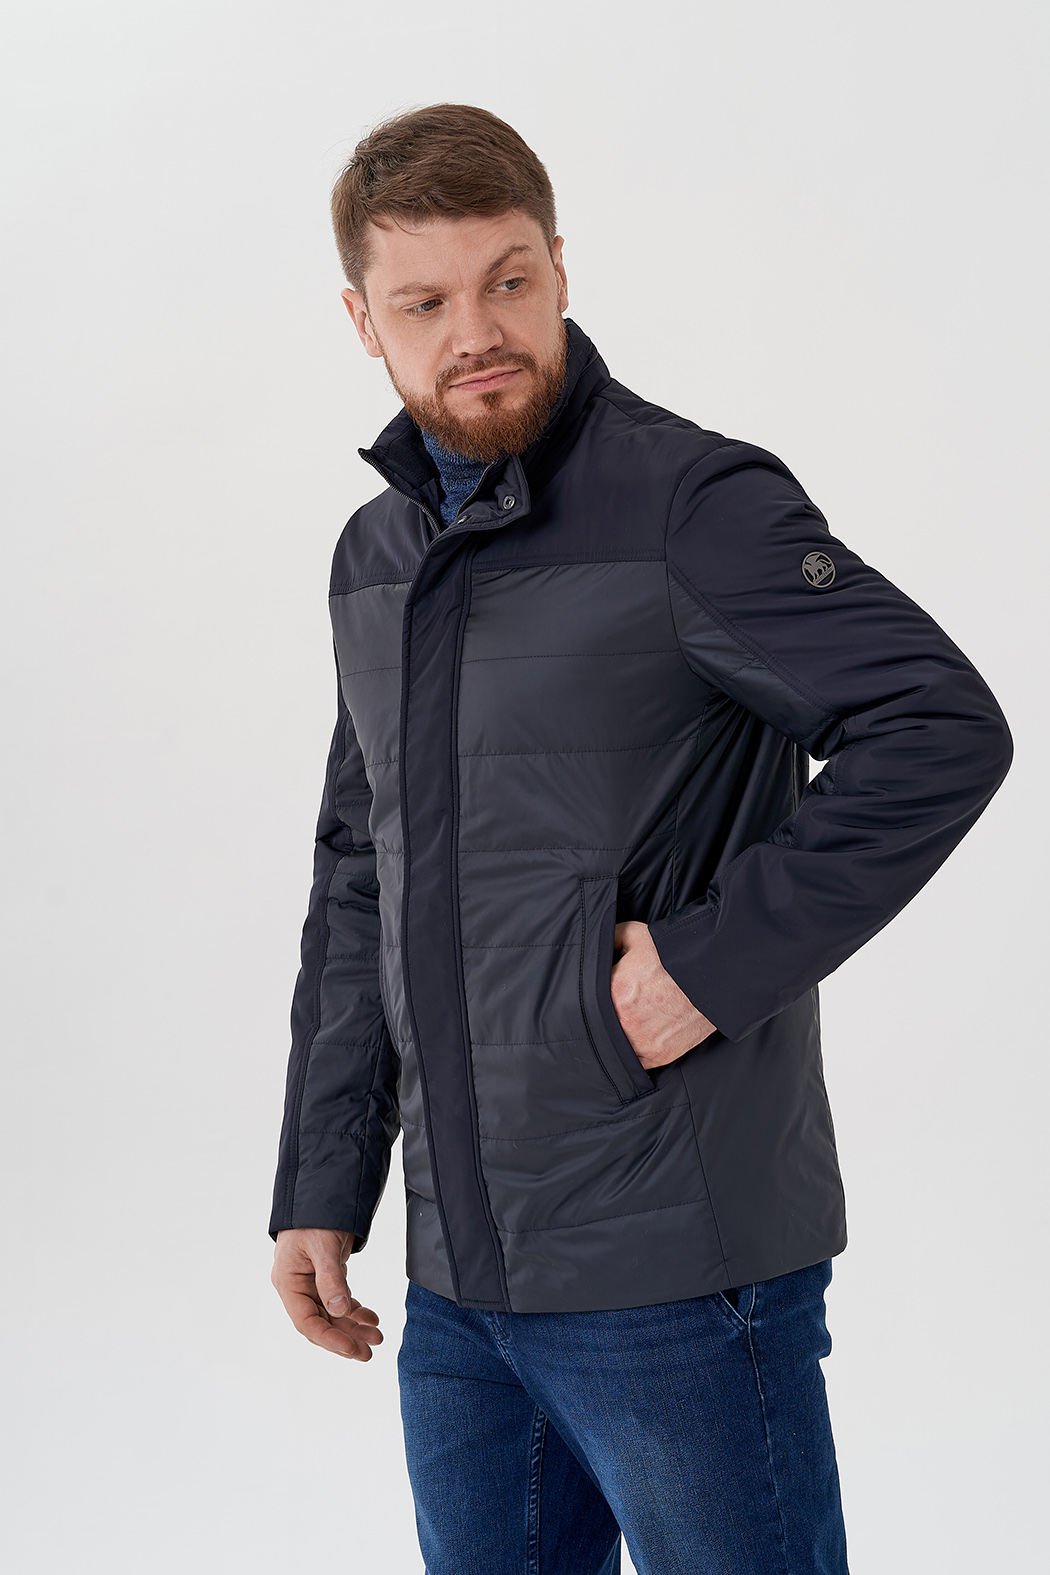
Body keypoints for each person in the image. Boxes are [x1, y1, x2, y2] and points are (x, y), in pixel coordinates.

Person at [268, 103, 1012, 1575]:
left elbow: (937, 726)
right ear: (362, 320)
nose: (477, 333)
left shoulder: (692, 503)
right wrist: (322, 1180)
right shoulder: (377, 556)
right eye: (424, 303)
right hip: (460, 1289)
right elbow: (364, 870)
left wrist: (705, 969)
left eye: (509, 282)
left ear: (559, 265)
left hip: (679, 1275)